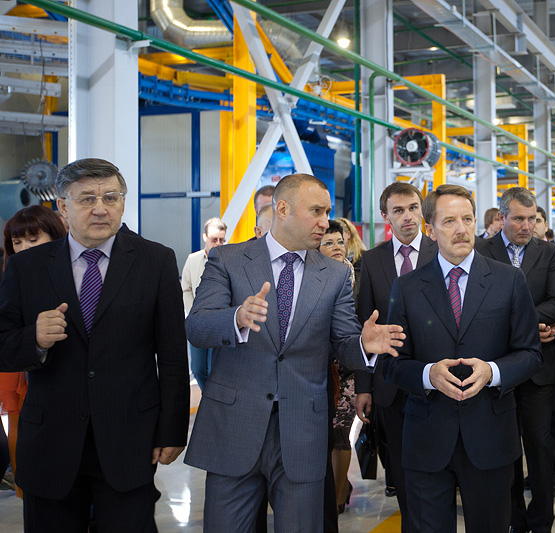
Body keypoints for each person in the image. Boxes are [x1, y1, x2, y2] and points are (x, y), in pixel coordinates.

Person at [184, 173, 404, 533]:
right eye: (316, 211)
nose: (325, 222)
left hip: (303, 429)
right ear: (283, 209)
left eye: (327, 212)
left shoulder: (334, 275)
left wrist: (364, 346)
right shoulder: (228, 259)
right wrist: (236, 318)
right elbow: (197, 326)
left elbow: (344, 342)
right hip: (235, 426)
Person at [0, 158, 190, 532]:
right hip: (50, 441)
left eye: (110, 197)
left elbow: (171, 355)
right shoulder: (27, 267)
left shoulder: (155, 260)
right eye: (87, 199)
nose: (100, 208)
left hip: (129, 440)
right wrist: (33, 338)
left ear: (122, 203)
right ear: (63, 206)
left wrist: (172, 429)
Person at [382, 184, 542, 533]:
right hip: (427, 439)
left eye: (467, 219)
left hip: (490, 436)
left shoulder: (508, 280)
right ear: (430, 229)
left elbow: (531, 353)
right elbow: (390, 364)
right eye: (449, 221)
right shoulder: (407, 288)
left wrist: (493, 371)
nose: (461, 229)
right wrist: (427, 375)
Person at [474, 187, 555, 533]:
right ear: (502, 218)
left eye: (532, 219)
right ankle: (514, 518)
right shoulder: (481, 251)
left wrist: (513, 322)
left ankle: (542, 521)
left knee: (540, 447)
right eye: (519, 219)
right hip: (497, 369)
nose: (527, 226)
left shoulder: (551, 253)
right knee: (505, 448)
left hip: (539, 369)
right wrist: (527, 324)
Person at [354, 181, 437, 531]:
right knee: (401, 468)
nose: (408, 217)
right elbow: (364, 325)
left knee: (436, 466)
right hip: (389, 382)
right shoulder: (372, 261)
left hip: (436, 378)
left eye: (413, 208)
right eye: (398, 210)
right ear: (385, 215)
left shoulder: (441, 251)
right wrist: (364, 386)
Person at [1, 205, 68, 498]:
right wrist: (34, 338)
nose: (24, 249)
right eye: (17, 242)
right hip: (25, 386)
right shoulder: (13, 279)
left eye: (33, 239)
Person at [317, 221, 357, 514]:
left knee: (341, 434)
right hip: (320, 366)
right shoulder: (314, 278)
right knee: (323, 436)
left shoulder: (358, 278)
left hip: (348, 370)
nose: (336, 248)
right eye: (328, 243)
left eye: (339, 242)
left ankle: (338, 496)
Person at [181, 217, 227, 390]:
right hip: (197, 321)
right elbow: (185, 288)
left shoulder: (229, 260)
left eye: (222, 240)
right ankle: (208, 396)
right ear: (204, 237)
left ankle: (212, 399)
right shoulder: (193, 260)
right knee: (198, 369)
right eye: (214, 239)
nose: (218, 243)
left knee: (214, 368)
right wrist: (193, 311)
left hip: (218, 323)